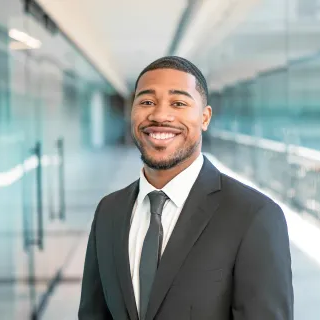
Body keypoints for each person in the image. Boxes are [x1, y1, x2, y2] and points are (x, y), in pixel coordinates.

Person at [78, 56, 293, 320]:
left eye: (178, 103)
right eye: (146, 102)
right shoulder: (109, 211)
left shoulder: (254, 216)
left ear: (205, 117)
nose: (159, 115)